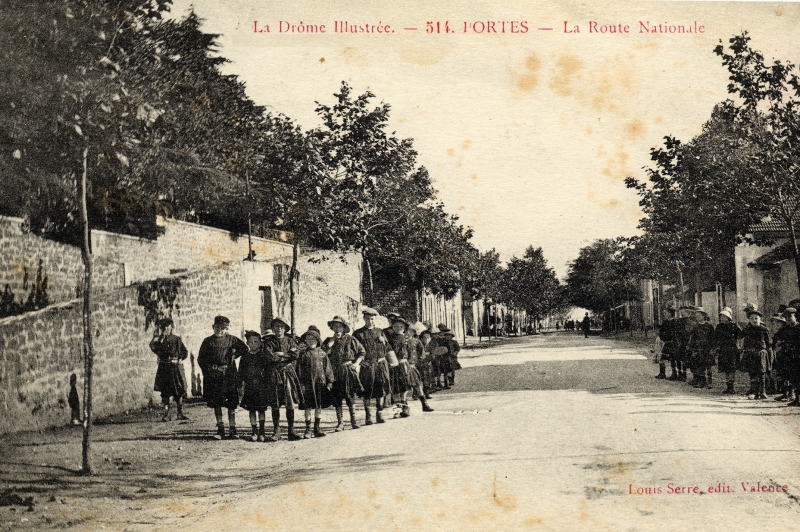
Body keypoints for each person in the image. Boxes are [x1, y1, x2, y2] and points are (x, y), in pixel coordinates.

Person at [198, 315, 249, 439]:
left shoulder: (232, 340)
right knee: (217, 403)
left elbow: (244, 349)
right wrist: (213, 369)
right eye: (217, 327)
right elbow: (201, 359)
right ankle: (220, 429)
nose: (220, 330)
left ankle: (233, 429)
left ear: (227, 329)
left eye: (223, 328)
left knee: (231, 403)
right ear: (213, 327)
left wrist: (234, 355)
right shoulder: (207, 341)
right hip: (214, 376)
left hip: (229, 375)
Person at [262, 316, 304, 441]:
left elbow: (295, 355)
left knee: (289, 402)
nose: (279, 329)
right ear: (273, 329)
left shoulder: (291, 341)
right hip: (274, 374)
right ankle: (276, 431)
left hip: (288, 374)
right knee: (275, 402)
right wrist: (286, 356)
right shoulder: (268, 343)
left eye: (281, 327)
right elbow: (269, 357)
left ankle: (291, 431)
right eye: (276, 326)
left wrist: (281, 355)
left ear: (285, 329)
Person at [323, 316, 365, 431]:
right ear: (332, 328)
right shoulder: (328, 341)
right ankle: (340, 423)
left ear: (343, 328)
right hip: (334, 372)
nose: (337, 329)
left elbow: (362, 352)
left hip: (347, 370)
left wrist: (356, 364)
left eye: (339, 326)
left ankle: (353, 421)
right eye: (335, 326)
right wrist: (330, 346)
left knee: (350, 395)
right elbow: (322, 355)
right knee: (337, 397)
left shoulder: (350, 339)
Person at [352, 307, 394, 424]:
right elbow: (353, 350)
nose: (370, 321)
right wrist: (360, 361)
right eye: (368, 319)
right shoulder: (358, 333)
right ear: (364, 319)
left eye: (372, 319)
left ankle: (379, 413)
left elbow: (388, 348)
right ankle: (368, 416)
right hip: (368, 366)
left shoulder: (380, 331)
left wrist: (384, 341)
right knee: (367, 390)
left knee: (380, 388)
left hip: (380, 364)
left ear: (374, 319)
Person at [149, 317, 190, 422]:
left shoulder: (176, 339)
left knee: (178, 391)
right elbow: (153, 347)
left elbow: (184, 352)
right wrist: (158, 338)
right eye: (163, 327)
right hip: (164, 368)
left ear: (171, 328)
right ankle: (166, 414)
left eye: (168, 327)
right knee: (165, 392)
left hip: (175, 368)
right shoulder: (158, 340)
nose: (166, 329)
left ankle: (180, 413)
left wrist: (180, 359)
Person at [297, 327, 335, 438]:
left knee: (318, 406)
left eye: (313, 339)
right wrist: (301, 384)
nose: (311, 341)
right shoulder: (303, 355)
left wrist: (329, 382)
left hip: (320, 384)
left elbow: (328, 369)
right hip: (308, 385)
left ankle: (317, 428)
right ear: (305, 341)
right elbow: (299, 370)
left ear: (318, 341)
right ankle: (308, 430)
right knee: (308, 407)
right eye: (308, 339)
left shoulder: (322, 354)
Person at [239, 330, 271, 442]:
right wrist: (241, 385)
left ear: (260, 343)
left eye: (256, 342)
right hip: (250, 387)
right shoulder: (245, 358)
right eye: (251, 342)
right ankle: (254, 431)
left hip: (261, 387)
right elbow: (241, 373)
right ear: (247, 343)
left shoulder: (263, 356)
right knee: (251, 410)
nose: (253, 344)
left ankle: (262, 431)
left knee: (261, 409)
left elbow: (268, 372)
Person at [740, 305, 771, 399]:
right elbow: (740, 337)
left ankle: (763, 392)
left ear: (760, 319)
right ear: (749, 320)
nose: (754, 320)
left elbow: (768, 342)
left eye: (756, 318)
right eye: (752, 318)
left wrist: (768, 352)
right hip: (750, 353)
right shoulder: (747, 329)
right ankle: (754, 391)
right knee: (752, 372)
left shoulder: (764, 329)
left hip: (761, 353)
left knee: (761, 372)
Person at [387, 317, 413, 417]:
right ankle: (397, 409)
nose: (398, 328)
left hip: (404, 364)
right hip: (394, 365)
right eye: (396, 326)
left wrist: (410, 362)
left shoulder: (407, 339)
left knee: (404, 385)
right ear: (392, 327)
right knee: (395, 386)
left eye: (401, 326)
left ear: (404, 328)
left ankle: (405, 407)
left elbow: (411, 352)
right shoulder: (390, 339)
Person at [713, 307, 741, 395]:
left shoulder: (734, 325)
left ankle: (731, 387)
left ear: (728, 317)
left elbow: (740, 334)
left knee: (731, 368)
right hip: (723, 349)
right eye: (721, 316)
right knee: (725, 368)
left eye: (724, 316)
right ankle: (728, 387)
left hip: (732, 349)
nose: (722, 318)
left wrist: (738, 344)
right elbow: (716, 338)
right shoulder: (719, 326)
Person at [407, 322, 434, 412]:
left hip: (413, 365)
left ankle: (424, 404)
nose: (408, 333)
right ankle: (403, 407)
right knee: (403, 387)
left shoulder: (416, 341)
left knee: (418, 383)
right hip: (403, 365)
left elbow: (421, 352)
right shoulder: (402, 340)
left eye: (411, 331)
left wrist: (419, 360)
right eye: (407, 331)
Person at [687, 308, 715, 388]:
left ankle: (710, 383)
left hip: (707, 348)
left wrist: (712, 349)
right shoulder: (696, 327)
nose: (697, 317)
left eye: (699, 315)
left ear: (703, 316)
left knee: (708, 367)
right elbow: (693, 338)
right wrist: (692, 348)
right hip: (698, 349)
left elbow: (712, 338)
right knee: (700, 366)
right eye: (696, 316)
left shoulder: (709, 326)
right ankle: (702, 382)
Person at [674, 306, 697, 382]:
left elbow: (691, 332)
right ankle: (679, 373)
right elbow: (676, 331)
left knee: (685, 359)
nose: (682, 314)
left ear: (688, 313)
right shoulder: (678, 321)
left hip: (687, 342)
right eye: (681, 313)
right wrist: (677, 340)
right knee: (678, 359)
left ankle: (684, 374)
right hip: (679, 341)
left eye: (684, 313)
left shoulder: (691, 321)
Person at [655, 306, 677, 379]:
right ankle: (662, 373)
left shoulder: (675, 322)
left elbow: (674, 333)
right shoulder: (665, 322)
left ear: (670, 313)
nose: (665, 314)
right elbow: (661, 331)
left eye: (666, 313)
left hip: (672, 342)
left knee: (672, 359)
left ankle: (674, 374)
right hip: (665, 342)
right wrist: (661, 336)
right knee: (662, 358)